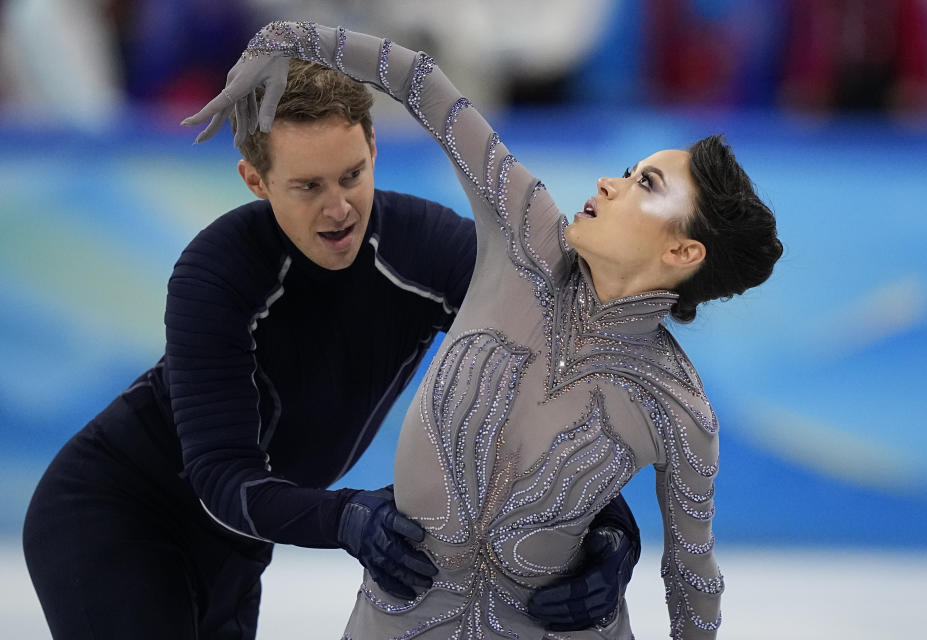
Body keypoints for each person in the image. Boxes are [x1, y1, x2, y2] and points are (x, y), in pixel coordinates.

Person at [186, 21, 783, 639]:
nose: (610, 181)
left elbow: (694, 585)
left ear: (684, 253)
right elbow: (421, 81)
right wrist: (285, 40)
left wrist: (615, 545)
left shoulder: (679, 409)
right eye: (631, 170)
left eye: (645, 185)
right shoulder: (526, 231)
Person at [21, 53, 643, 640]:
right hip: (114, 512)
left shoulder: (431, 251)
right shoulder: (217, 272)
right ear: (256, 180)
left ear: (374, 148)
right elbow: (219, 475)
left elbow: (550, 402)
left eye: (352, 174)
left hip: (239, 540)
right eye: (308, 186)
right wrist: (346, 517)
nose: (339, 208)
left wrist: (612, 530)